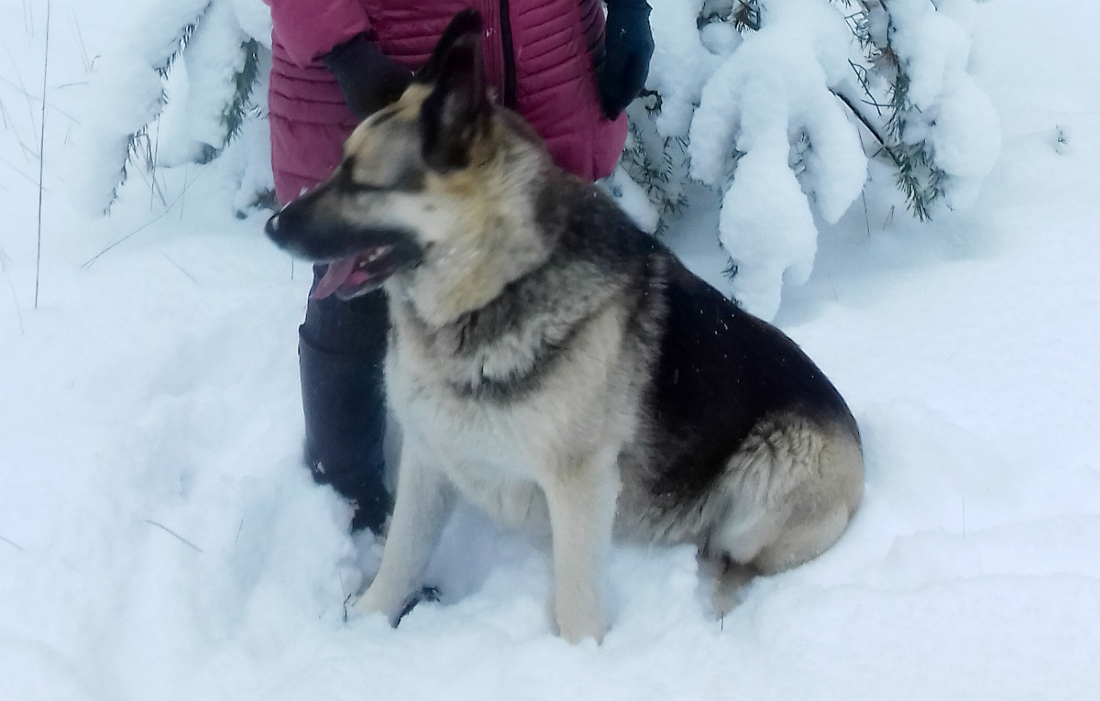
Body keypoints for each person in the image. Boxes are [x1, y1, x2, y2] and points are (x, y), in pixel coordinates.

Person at [263, 0, 654, 533]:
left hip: (545, 48)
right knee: (357, 288)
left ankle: (515, 457)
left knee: (537, 273)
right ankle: (345, 498)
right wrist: (344, 50)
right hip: (387, 71)